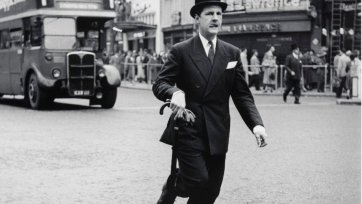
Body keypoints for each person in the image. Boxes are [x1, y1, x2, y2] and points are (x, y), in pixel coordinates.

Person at [153, 1, 268, 203]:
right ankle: (172, 186)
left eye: (219, 13)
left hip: (217, 131)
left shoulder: (231, 53)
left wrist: (256, 125)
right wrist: (175, 92)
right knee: (197, 180)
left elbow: (241, 94)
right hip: (189, 128)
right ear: (197, 18)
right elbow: (160, 83)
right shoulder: (181, 50)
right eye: (209, 14)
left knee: (211, 191)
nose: (216, 18)